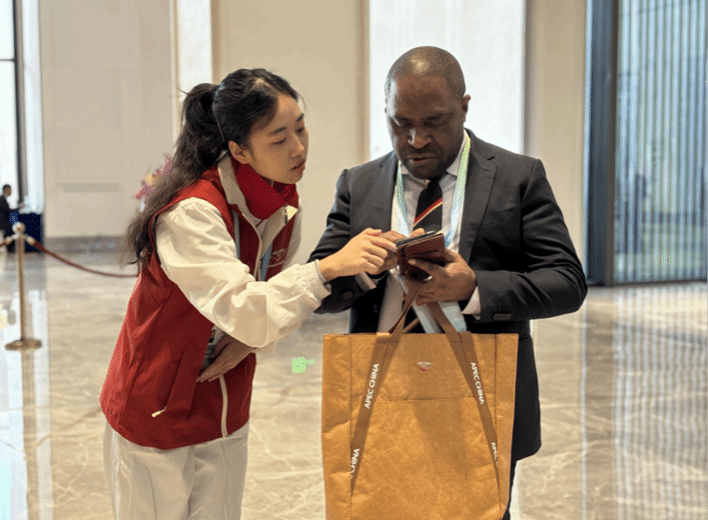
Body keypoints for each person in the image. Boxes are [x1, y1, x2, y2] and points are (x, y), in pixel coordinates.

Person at [100, 68, 396, 520]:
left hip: (225, 403)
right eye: (279, 139)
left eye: (301, 128)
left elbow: (270, 301)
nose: (298, 148)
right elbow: (246, 308)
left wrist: (250, 340)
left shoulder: (282, 203)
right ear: (239, 149)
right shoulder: (193, 212)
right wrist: (328, 268)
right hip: (156, 408)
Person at [308, 47, 588, 519]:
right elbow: (318, 288)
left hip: (480, 390)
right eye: (400, 123)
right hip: (383, 389)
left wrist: (474, 289)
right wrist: (361, 267)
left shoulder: (518, 178)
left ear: (464, 107)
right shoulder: (359, 184)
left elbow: (566, 281)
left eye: (434, 122)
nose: (416, 139)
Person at [0, 184, 24, 253]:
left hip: (5, 222)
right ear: (6, 190)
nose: (11, 192)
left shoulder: (4, 199)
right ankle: (10, 250)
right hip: (3, 223)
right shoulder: (2, 199)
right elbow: (8, 210)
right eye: (10, 190)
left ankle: (11, 250)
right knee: (11, 232)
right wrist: (19, 207)